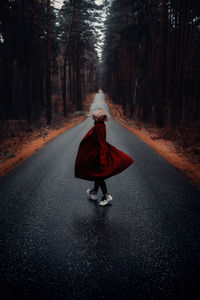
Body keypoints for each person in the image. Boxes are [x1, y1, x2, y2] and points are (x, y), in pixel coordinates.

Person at [74, 107, 134, 206]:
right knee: (97, 174)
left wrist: (102, 158)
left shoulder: (99, 126)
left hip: (98, 154)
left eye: (97, 116)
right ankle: (94, 192)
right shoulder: (99, 125)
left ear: (100, 117)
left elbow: (101, 143)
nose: (95, 117)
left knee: (99, 175)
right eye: (95, 116)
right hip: (95, 153)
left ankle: (106, 195)